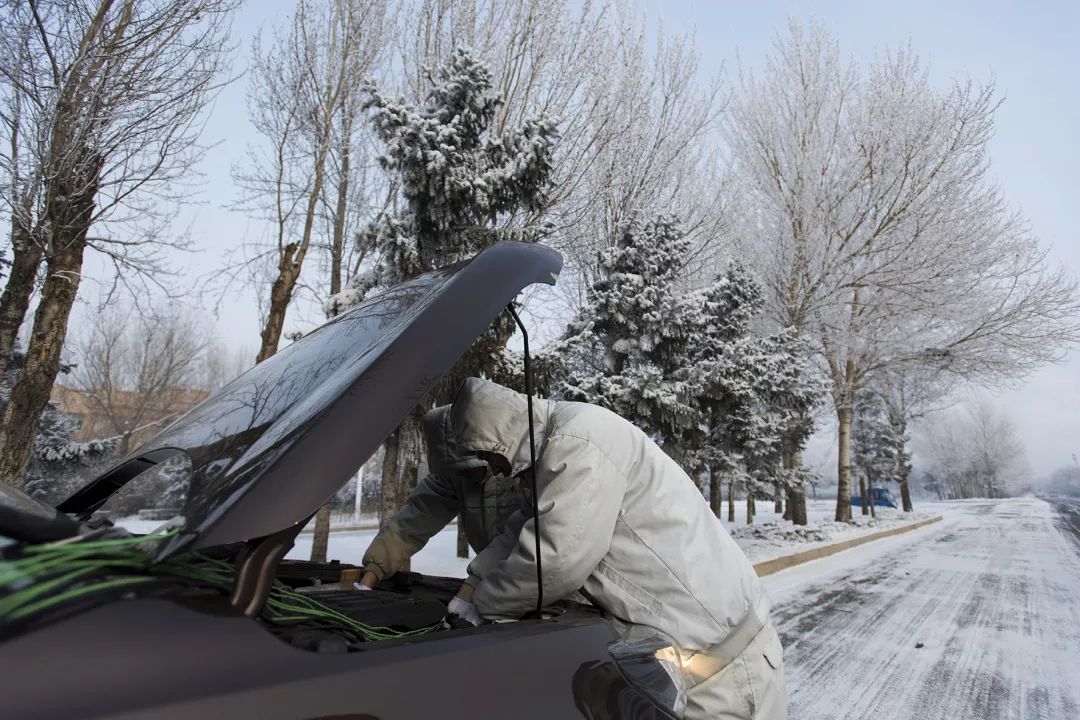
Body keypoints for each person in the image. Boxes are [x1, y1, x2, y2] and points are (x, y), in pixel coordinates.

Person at [447, 377, 787, 720]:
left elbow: (557, 562)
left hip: (726, 672)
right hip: (696, 662)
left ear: (501, 435)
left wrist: (485, 605)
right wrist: (473, 582)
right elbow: (522, 529)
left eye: (488, 458)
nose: (494, 473)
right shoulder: (555, 446)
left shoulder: (578, 441)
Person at [357, 405, 523, 605]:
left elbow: (523, 538)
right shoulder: (453, 475)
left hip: (545, 588)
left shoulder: (520, 469)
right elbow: (413, 521)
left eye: (466, 469)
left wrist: (472, 586)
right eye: (455, 471)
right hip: (492, 587)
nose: (462, 477)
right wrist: (374, 570)